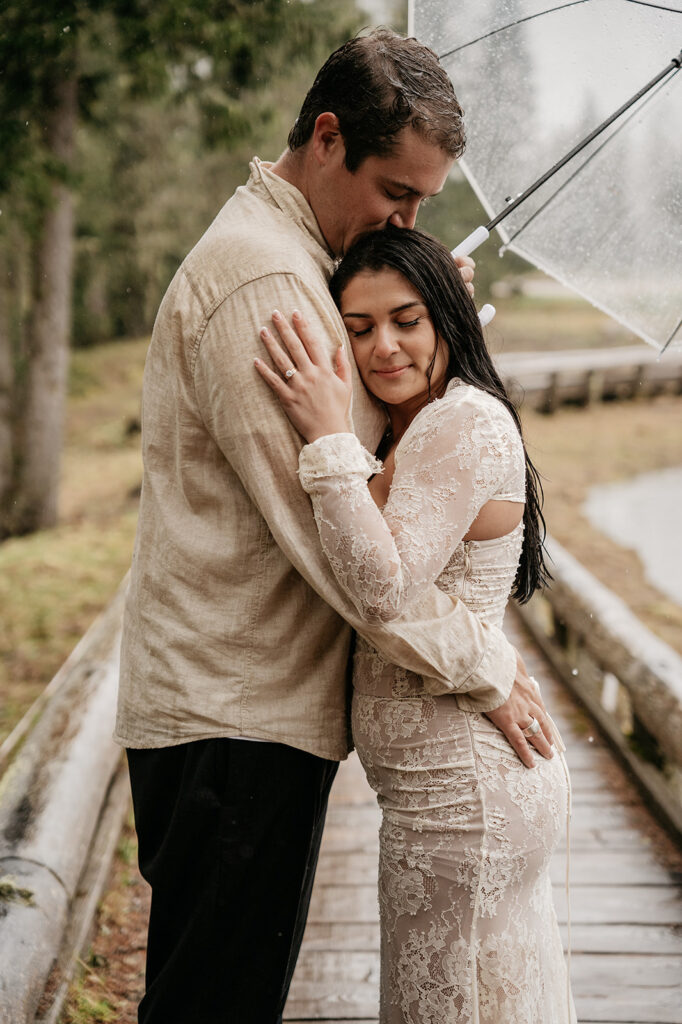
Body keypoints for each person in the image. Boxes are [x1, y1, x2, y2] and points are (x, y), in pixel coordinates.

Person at [115, 28, 554, 1024]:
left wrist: (418, 312)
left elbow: (375, 471)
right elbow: (344, 549)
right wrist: (484, 666)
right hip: (234, 711)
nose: (402, 217)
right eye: (396, 194)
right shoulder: (268, 284)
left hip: (251, 708)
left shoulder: (303, 264)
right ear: (326, 136)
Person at [256, 224, 575, 1023]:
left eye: (408, 319)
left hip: (462, 797)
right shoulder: (422, 419)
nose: (382, 348)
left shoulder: (460, 423)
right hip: (449, 794)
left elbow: (380, 587)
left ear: (447, 319)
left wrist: (329, 438)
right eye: (358, 329)